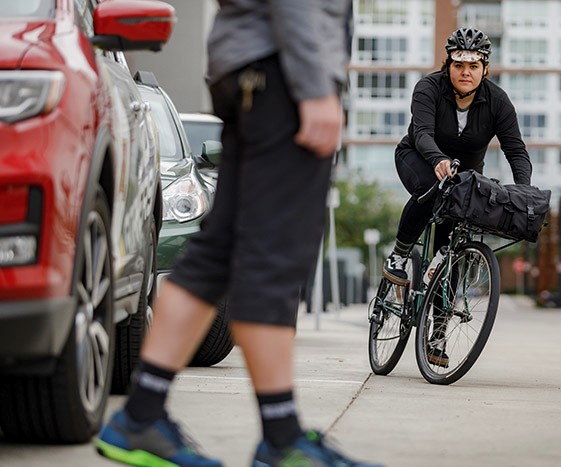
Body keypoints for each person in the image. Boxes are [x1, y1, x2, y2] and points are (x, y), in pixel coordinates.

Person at [95, 2, 380, 466]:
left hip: (250, 67)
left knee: (217, 253)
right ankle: (281, 438)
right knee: (271, 259)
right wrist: (313, 87)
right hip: (282, 72)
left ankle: (142, 416)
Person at [383, 27, 532, 288]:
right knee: (431, 187)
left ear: (485, 68)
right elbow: (422, 133)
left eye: (474, 66)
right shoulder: (428, 88)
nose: (466, 72)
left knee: (448, 251)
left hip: (464, 176)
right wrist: (438, 159)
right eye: (459, 64)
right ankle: (399, 255)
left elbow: (516, 151)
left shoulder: (498, 101)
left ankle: (439, 325)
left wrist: (525, 191)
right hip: (418, 157)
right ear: (448, 64)